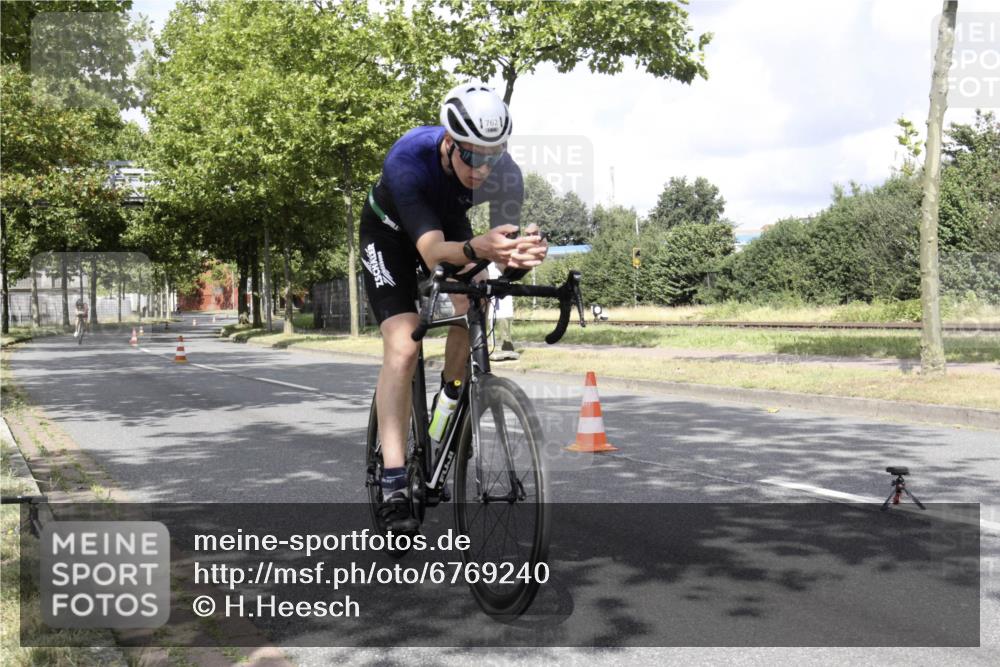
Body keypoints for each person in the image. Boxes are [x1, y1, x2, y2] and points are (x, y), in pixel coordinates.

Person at [360, 81, 548, 532]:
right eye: (471, 156)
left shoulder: (506, 173)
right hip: (390, 238)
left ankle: (450, 397)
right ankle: (393, 477)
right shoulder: (408, 159)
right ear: (448, 142)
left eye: (492, 156)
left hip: (449, 230)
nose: (481, 169)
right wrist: (477, 248)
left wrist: (518, 258)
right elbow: (431, 254)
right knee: (404, 346)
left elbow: (498, 249)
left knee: (479, 298)